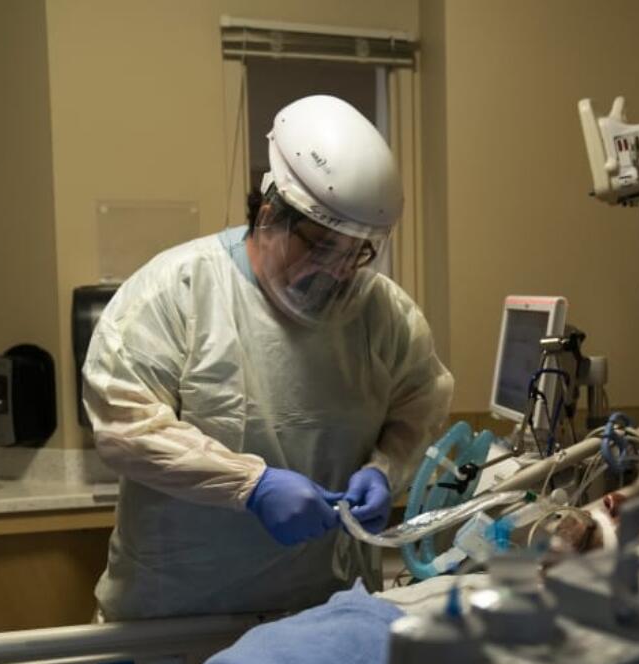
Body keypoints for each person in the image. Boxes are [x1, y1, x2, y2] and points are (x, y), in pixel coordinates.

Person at [83, 95, 453, 621]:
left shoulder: (382, 313)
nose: (340, 270)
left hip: (316, 618)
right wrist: (249, 486)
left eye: (357, 252)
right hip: (174, 616)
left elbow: (422, 403)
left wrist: (386, 467)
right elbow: (126, 430)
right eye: (323, 247)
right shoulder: (177, 292)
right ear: (270, 212)